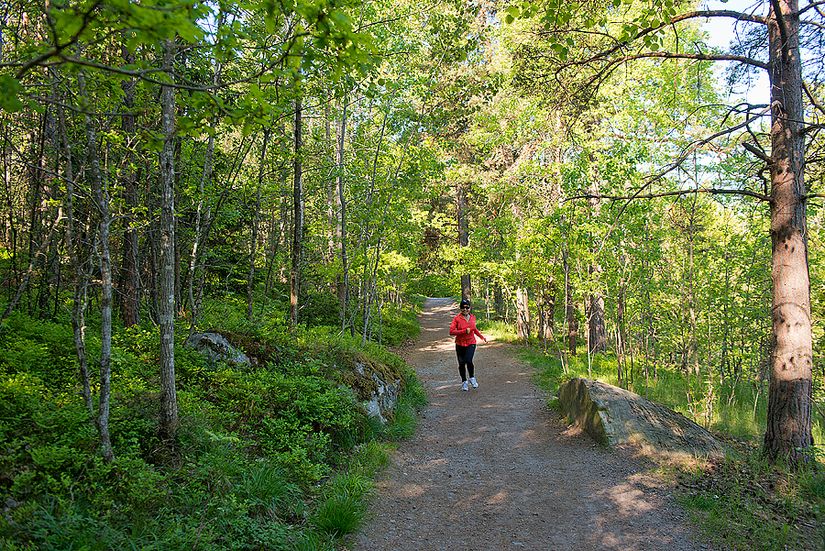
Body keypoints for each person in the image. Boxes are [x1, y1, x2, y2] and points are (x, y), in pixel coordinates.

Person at [449, 298, 487, 391]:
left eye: (467, 307)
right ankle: (464, 382)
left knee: (468, 360)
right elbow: (451, 331)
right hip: (460, 344)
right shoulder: (457, 319)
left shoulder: (473, 317)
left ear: (470, 308)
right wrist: (464, 331)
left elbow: (474, 329)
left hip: (471, 342)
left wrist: (481, 337)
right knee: (461, 363)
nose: (465, 309)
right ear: (460, 308)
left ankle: (472, 378)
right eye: (463, 307)